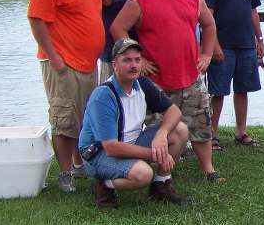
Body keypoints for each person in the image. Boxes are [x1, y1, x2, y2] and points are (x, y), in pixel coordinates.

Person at [110, 0, 223, 181]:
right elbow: (117, 28)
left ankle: (208, 169)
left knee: (201, 126)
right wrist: (138, 62)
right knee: (159, 130)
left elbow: (209, 26)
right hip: (157, 82)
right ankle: (161, 175)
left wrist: (207, 54)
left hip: (191, 77)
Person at [28, 0, 105, 193]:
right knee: (64, 119)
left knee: (83, 117)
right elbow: (36, 19)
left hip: (87, 63)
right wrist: (54, 58)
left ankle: (78, 163)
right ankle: (64, 173)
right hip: (63, 63)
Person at [77, 38, 188, 208]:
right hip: (99, 154)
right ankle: (104, 186)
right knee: (143, 174)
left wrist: (161, 135)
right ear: (114, 65)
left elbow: (174, 111)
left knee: (179, 130)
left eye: (137, 60)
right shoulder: (103, 96)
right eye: (127, 60)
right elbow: (111, 147)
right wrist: (156, 154)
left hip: (132, 142)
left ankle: (161, 185)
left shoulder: (141, 84)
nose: (134, 65)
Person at [201, 0, 264, 148]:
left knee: (243, 89)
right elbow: (207, 16)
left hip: (246, 44)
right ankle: (212, 134)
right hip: (223, 46)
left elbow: (253, 11)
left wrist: (260, 39)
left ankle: (241, 132)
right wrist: (214, 45)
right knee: (218, 91)